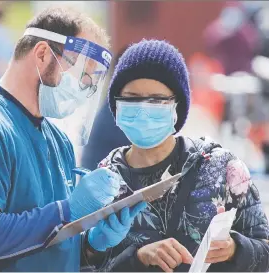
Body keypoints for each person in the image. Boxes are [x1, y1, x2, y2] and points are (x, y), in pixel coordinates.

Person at [0, 7, 146, 272]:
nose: (84, 88)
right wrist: (66, 211)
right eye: (82, 74)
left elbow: (49, 246)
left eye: (92, 81)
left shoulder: (58, 141)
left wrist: (92, 245)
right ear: (43, 54)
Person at [95, 39, 269, 272]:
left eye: (157, 100)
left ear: (177, 106)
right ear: (116, 105)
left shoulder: (222, 169)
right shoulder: (104, 182)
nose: (144, 109)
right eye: (132, 98)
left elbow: (264, 251)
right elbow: (88, 263)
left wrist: (236, 248)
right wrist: (137, 259)